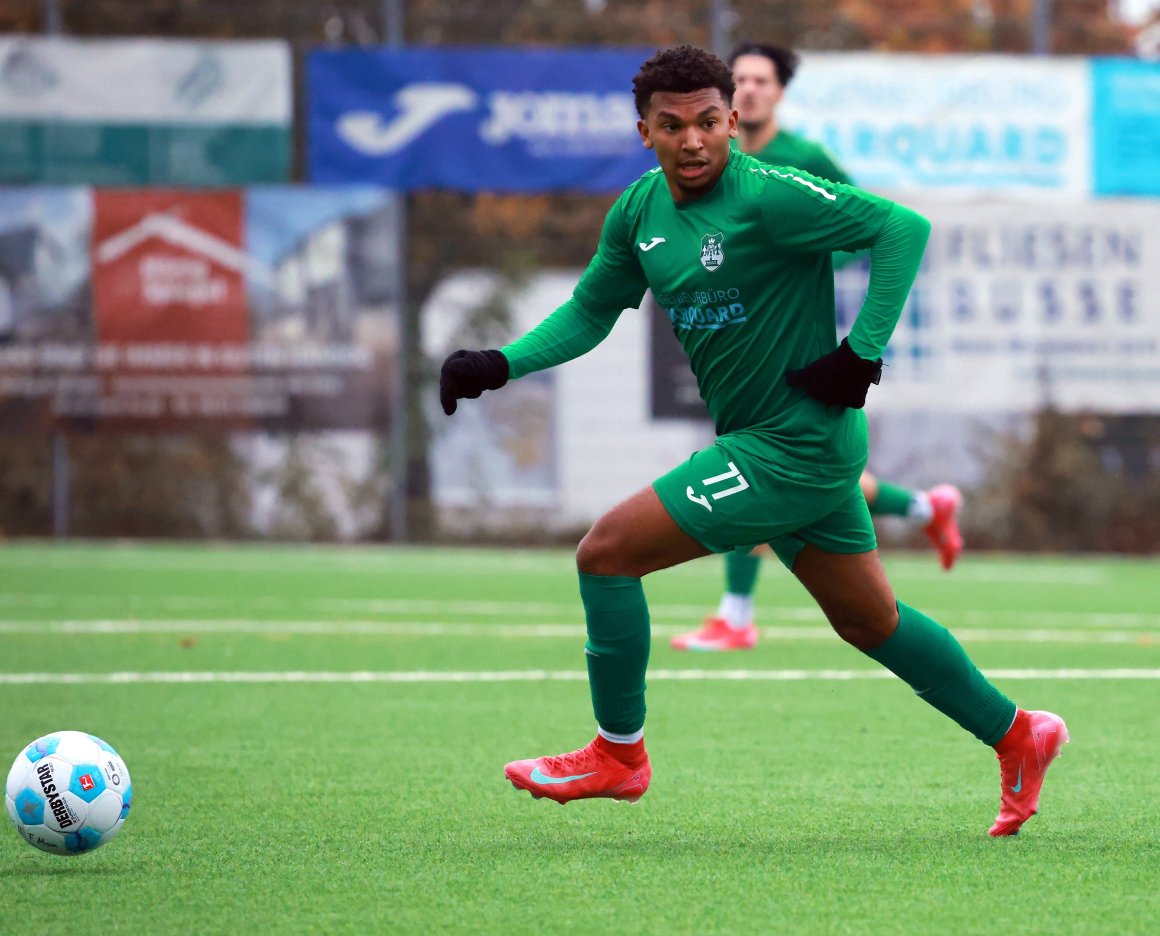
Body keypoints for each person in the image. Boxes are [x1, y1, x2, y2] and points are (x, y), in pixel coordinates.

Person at [439, 45, 1067, 836]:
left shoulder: (769, 194)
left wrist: (861, 354)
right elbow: (592, 312)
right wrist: (500, 363)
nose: (693, 140)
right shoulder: (638, 212)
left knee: (606, 553)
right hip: (777, 443)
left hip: (792, 445)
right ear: (645, 132)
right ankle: (1019, 734)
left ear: (733, 121)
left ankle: (618, 755)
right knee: (870, 622)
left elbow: (902, 228)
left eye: (708, 122)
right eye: (673, 126)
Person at [672, 42, 961, 653]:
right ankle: (925, 507)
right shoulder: (709, 162)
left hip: (794, 337)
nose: (751, 88)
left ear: (779, 92)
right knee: (809, 473)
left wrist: (801, 267)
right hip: (734, 335)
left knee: (758, 464)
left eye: (762, 80)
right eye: (741, 79)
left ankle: (736, 615)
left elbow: (869, 230)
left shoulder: (805, 160)